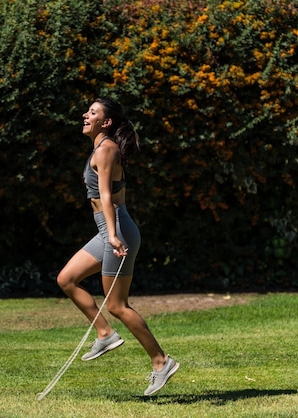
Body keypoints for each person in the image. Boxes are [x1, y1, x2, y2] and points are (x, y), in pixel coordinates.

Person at [56, 97, 179, 396]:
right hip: (107, 229)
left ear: (106, 122)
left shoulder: (107, 148)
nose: (85, 114)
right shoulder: (100, 149)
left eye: (93, 112)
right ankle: (105, 333)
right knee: (66, 279)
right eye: (87, 111)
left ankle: (162, 361)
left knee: (117, 305)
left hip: (117, 229)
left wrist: (112, 235)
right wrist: (107, 232)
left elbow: (107, 196)